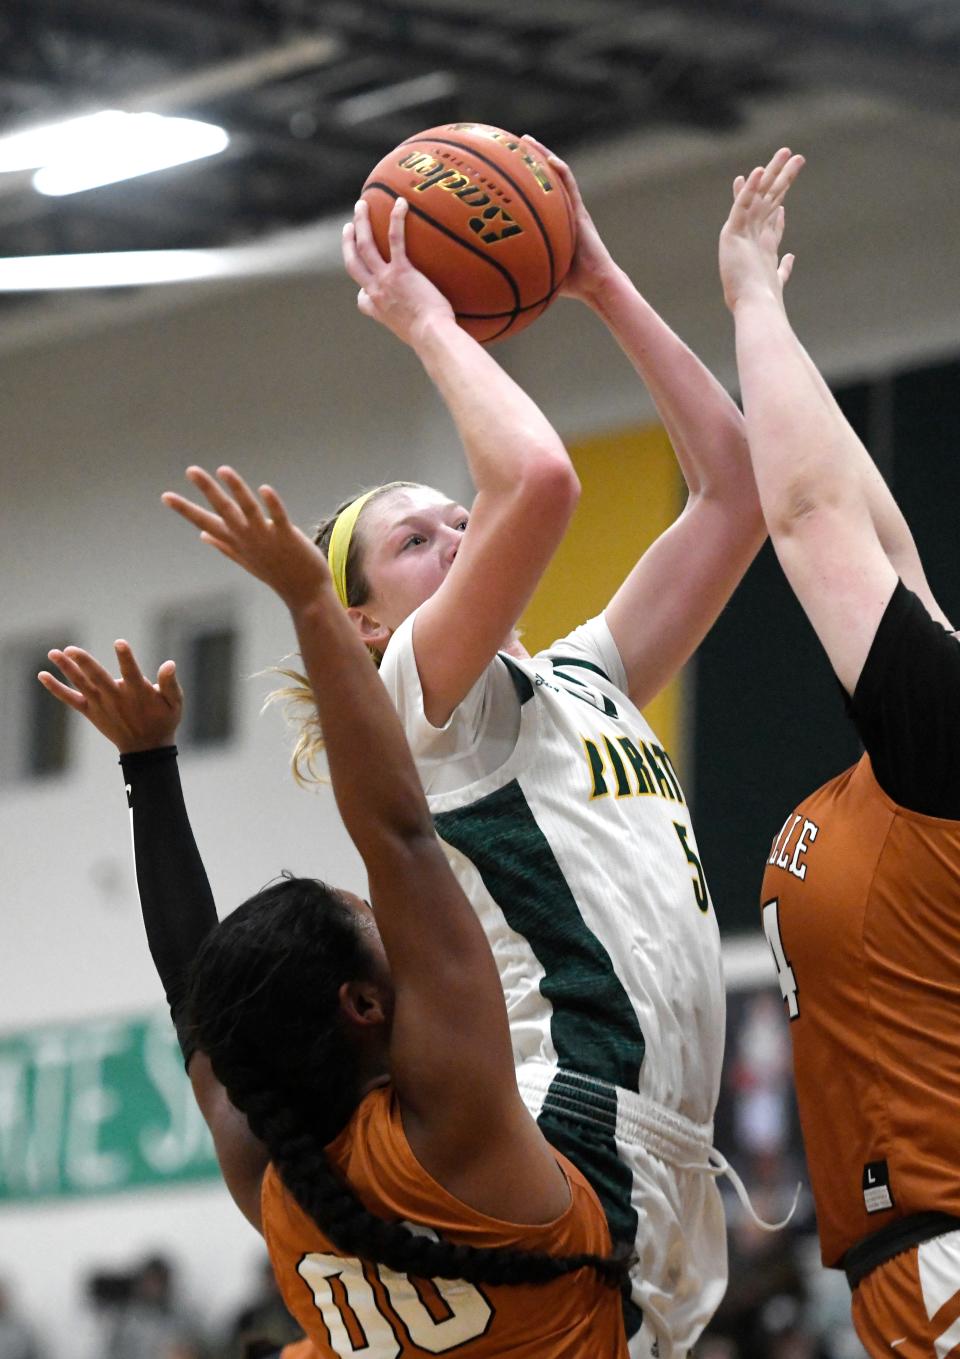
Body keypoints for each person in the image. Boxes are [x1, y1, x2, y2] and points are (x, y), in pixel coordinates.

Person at [164, 139, 772, 1359]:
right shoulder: (416, 701)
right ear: (366, 623)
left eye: (456, 517)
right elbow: (538, 479)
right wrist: (425, 320)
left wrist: (598, 277)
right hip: (574, 1126)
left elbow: (736, 494)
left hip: (664, 1144)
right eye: (415, 538)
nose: (455, 529)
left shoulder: (574, 681)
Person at [38, 473, 630, 1359]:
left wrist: (148, 763)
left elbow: (191, 989)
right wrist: (310, 599)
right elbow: (398, 836)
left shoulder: (281, 1181)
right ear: (362, 1004)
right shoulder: (454, 1130)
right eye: (372, 924)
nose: (393, 927)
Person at [719, 148, 960, 1356]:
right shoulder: (932, 738)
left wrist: (752, 309)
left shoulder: (948, 746)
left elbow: (817, 520)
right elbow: (881, 535)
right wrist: (773, 309)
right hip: (907, 1254)